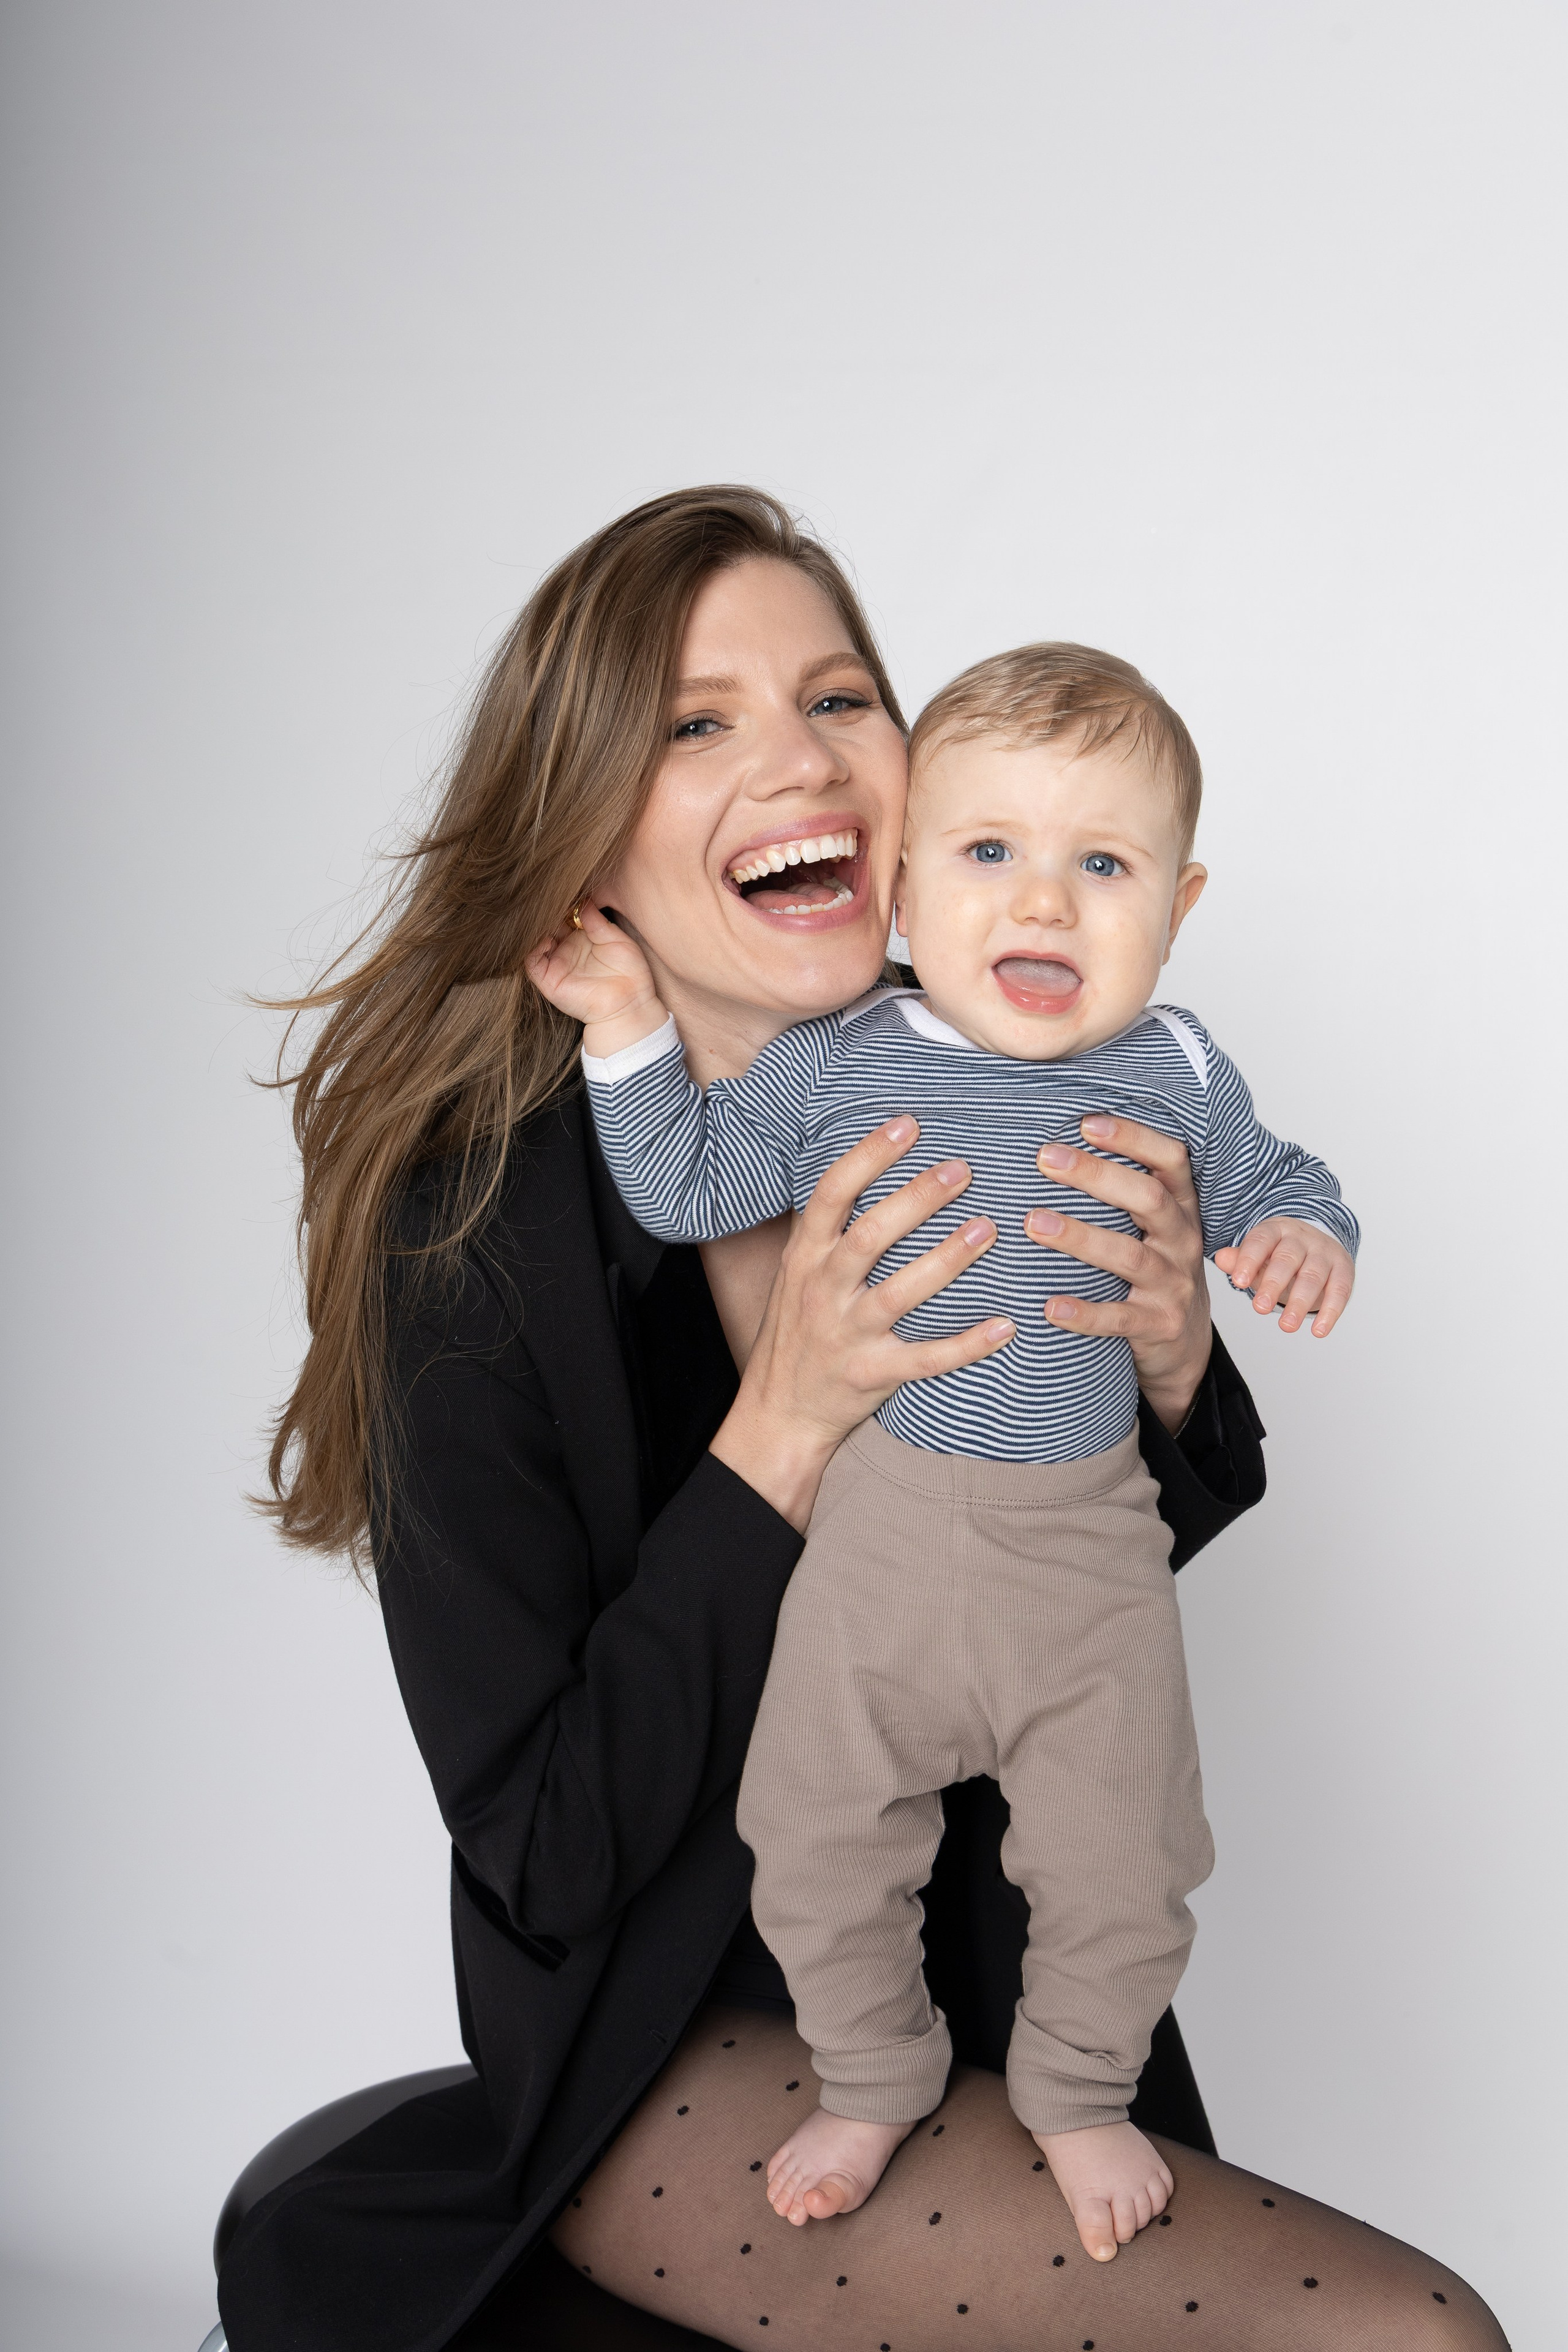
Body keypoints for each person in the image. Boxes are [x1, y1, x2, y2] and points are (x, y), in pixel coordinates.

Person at [218, 486, 1507, 2352]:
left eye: (840, 698)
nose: (800, 763)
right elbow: (552, 1851)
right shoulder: (474, 1243)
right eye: (697, 722)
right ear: (580, 833)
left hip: (997, 1966)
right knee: (1397, 2335)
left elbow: (1065, 1534)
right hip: (667, 2044)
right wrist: (783, 1431)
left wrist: (1169, 1364)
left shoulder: (996, 1047)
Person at [530, 639, 1359, 2262]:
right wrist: (625, 1025)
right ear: (902, 897)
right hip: (887, 1535)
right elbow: (692, 1190)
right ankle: (874, 2068)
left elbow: (1274, 1181)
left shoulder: (1176, 1067)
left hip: (1092, 1558)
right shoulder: (840, 1059)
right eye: (990, 855)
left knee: (1131, 1862)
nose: (1042, 903)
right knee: (818, 1830)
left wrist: (1305, 1237)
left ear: (1178, 910)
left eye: (1100, 865)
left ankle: (1076, 2089)